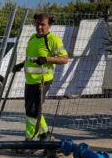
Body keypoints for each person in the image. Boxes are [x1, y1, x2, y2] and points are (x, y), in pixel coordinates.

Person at [12, 12, 70, 140]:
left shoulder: (52, 40)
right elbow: (30, 58)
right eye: (38, 24)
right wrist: (21, 65)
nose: (39, 27)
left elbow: (65, 59)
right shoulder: (32, 38)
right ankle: (44, 135)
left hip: (42, 81)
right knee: (31, 109)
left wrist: (47, 59)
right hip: (30, 81)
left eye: (43, 25)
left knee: (32, 110)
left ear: (50, 25)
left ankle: (31, 137)